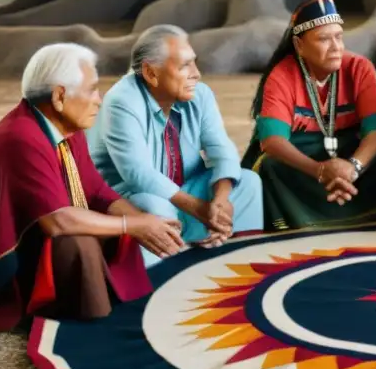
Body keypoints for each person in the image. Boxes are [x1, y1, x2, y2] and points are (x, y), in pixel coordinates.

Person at [0, 44, 184, 332]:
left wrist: (145, 220)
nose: (99, 100)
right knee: (79, 240)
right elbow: (58, 221)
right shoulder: (22, 138)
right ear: (60, 96)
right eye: (91, 90)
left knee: (138, 213)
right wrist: (133, 225)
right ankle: (97, 322)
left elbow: (96, 191)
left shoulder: (65, 129)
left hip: (32, 241)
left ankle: (110, 299)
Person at [88, 26, 263, 265]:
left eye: (194, 63)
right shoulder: (122, 101)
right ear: (151, 73)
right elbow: (137, 173)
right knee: (152, 205)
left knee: (249, 183)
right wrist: (198, 208)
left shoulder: (199, 94)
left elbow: (222, 150)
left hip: (185, 194)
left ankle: (237, 261)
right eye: (184, 66)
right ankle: (160, 277)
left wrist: (220, 200)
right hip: (131, 198)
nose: (197, 74)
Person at [241, 0, 376, 230]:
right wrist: (320, 170)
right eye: (324, 39)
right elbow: (272, 142)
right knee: (270, 167)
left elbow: (375, 130)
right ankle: (296, 224)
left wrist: (353, 167)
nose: (336, 47)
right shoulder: (282, 75)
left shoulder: (359, 68)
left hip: (351, 156)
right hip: (302, 159)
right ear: (299, 45)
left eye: (339, 37)